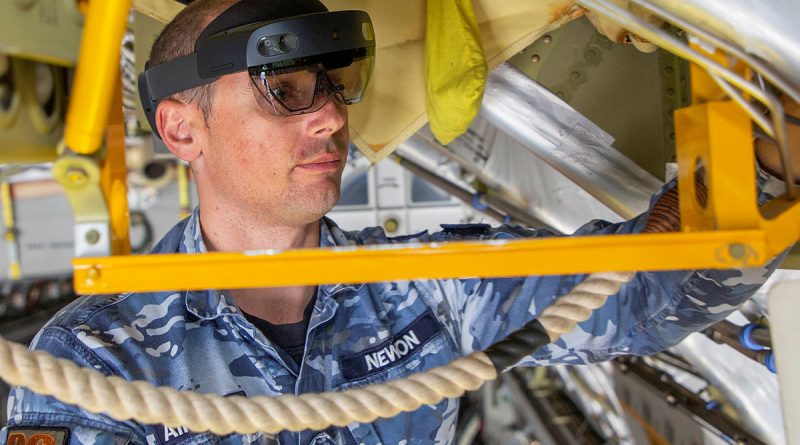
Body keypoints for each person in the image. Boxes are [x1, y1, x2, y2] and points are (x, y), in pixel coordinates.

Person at [1, 0, 796, 444]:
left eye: (334, 85)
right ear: (182, 129)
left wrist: (765, 166)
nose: (330, 119)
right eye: (285, 92)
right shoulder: (95, 356)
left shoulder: (429, 290)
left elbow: (632, 296)